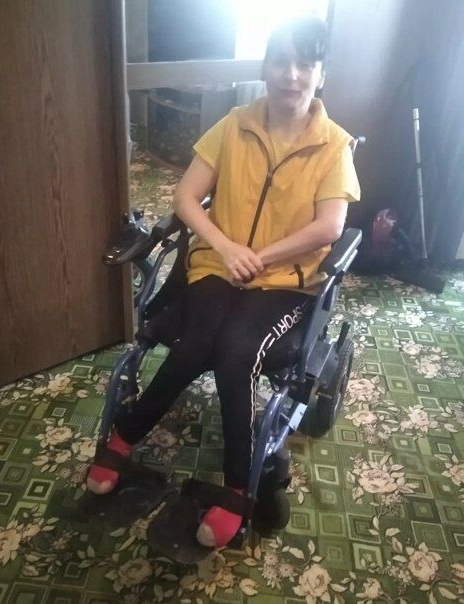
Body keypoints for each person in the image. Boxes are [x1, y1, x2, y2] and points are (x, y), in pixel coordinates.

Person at [87, 16, 360, 548]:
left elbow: (329, 226)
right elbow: (186, 197)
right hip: (217, 265)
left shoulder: (334, 146)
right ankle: (124, 437)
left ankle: (237, 486)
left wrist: (259, 257)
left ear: (320, 74)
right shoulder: (234, 124)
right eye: (280, 62)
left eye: (304, 64)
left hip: (283, 281)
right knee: (194, 345)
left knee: (236, 353)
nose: (291, 74)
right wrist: (227, 247)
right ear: (265, 67)